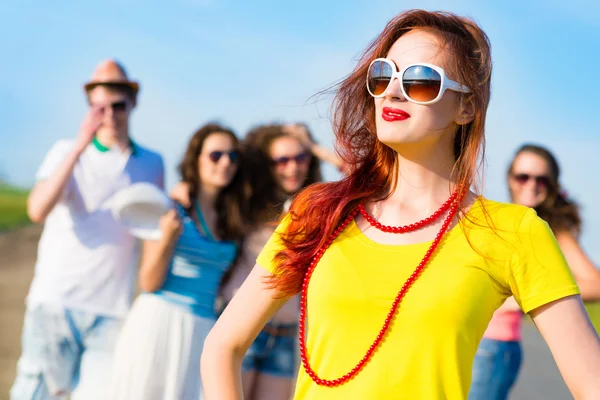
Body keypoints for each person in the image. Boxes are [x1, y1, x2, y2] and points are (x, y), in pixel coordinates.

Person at [201, 10, 600, 400]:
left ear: (467, 107)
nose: (392, 90)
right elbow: (224, 345)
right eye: (383, 74)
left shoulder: (513, 231)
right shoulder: (318, 212)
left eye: (421, 80)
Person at [11, 59, 164, 400]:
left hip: (114, 309)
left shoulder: (152, 163)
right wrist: (80, 145)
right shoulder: (66, 151)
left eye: (118, 105)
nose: (109, 114)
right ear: (89, 108)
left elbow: (155, 231)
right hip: (56, 301)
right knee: (37, 392)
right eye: (100, 107)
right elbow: (37, 209)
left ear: (133, 103)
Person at [108, 123, 245, 399]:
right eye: (215, 155)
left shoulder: (233, 216)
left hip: (204, 329)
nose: (226, 162)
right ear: (196, 159)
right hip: (160, 322)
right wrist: (169, 238)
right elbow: (148, 281)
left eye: (233, 156)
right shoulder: (172, 207)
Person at [469, 144, 600, 400]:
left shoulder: (550, 228)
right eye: (523, 176)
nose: (532, 184)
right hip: (472, 342)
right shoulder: (508, 220)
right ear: (510, 179)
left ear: (552, 186)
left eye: (542, 179)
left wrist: (521, 299)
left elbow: (596, 284)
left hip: (493, 346)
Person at [221, 124, 323, 400]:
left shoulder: (317, 208)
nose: (293, 167)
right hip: (244, 333)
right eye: (282, 160)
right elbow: (211, 177)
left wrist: (312, 146)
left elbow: (361, 178)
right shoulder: (247, 202)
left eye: (300, 158)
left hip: (286, 335)